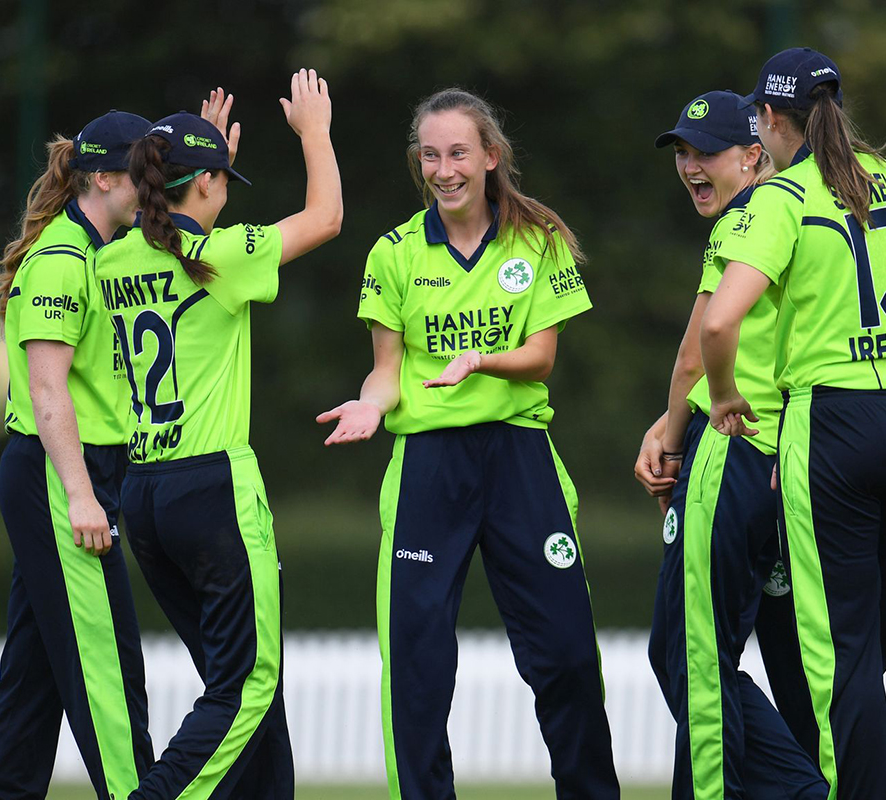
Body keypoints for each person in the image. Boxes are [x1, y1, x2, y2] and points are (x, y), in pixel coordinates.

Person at [317, 87, 619, 800]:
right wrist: (369, 403)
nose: (444, 169)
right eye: (430, 155)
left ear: (490, 156)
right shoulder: (392, 253)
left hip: (518, 458)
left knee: (569, 656)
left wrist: (480, 361)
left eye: (458, 153)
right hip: (429, 464)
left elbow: (541, 358)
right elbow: (387, 372)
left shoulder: (536, 241)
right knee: (418, 665)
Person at [92, 71, 342, 799]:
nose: (229, 188)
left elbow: (173, 209)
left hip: (144, 496)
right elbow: (325, 217)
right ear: (202, 185)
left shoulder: (113, 261)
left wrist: (191, 147)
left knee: (234, 688)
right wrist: (315, 135)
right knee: (248, 689)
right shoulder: (220, 256)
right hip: (212, 491)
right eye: (223, 178)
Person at [700, 48, 886, 797]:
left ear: (770, 120)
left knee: (836, 655)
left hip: (834, 421)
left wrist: (724, 395)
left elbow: (718, 323)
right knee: (867, 648)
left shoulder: (783, 199)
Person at [638, 89, 826, 800]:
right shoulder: (811, 217)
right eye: (682, 150)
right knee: (780, 659)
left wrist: (672, 430)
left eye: (706, 151)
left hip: (736, 448)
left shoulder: (749, 221)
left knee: (690, 657)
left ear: (755, 155)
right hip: (795, 460)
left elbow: (697, 350)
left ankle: (800, 792)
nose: (690, 164)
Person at [0, 110, 155, 800]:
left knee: (35, 675)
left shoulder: (101, 251)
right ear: (105, 178)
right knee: (106, 669)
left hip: (74, 472)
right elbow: (48, 394)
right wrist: (81, 495)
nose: (154, 185)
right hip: (59, 474)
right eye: (145, 171)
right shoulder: (61, 258)